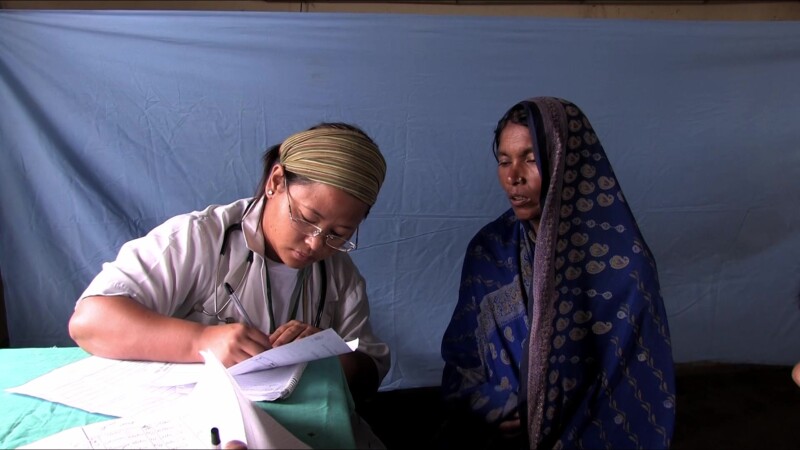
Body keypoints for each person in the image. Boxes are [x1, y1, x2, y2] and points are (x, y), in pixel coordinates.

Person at [68, 122, 390, 407]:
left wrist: (327, 356)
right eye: (306, 219)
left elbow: (370, 372)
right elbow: (90, 322)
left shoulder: (340, 275)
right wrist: (201, 341)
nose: (316, 243)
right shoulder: (198, 239)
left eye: (339, 233)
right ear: (275, 181)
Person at [439, 97, 676, 449]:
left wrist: (548, 415)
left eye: (531, 160)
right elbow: (463, 358)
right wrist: (491, 404)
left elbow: (632, 384)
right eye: (504, 161)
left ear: (568, 163)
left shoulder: (622, 262)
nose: (512, 176)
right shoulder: (490, 249)